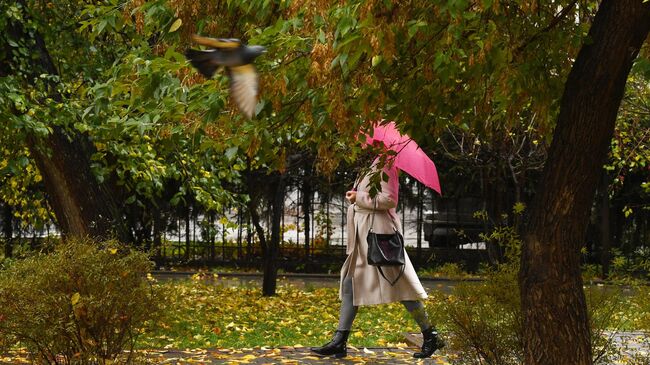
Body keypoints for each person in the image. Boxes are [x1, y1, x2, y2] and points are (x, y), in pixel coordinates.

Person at [311, 158, 444, 358]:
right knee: (350, 283)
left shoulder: (387, 164)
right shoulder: (370, 164)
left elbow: (390, 199)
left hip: (379, 237)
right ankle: (340, 340)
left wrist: (359, 197)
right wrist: (358, 196)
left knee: (403, 287)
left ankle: (431, 334)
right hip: (364, 236)